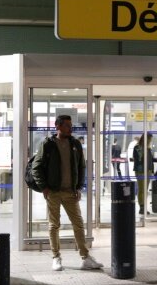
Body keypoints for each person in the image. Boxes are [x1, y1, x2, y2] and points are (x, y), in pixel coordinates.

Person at [31, 114, 103, 272]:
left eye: (71, 126)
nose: (70, 128)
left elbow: (81, 167)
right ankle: (56, 257)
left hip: (70, 192)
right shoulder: (48, 144)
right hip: (54, 192)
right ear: (58, 126)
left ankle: (85, 258)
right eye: (67, 126)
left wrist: (78, 187)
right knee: (54, 225)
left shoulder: (75, 143)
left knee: (78, 224)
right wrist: (44, 187)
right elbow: (35, 167)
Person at [133, 134, 157, 215]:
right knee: (142, 189)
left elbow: (149, 159)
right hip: (141, 171)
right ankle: (142, 207)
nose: (150, 141)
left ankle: (143, 207)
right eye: (150, 139)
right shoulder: (138, 147)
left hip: (147, 170)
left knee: (145, 189)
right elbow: (138, 159)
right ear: (146, 139)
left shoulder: (148, 148)